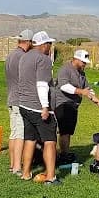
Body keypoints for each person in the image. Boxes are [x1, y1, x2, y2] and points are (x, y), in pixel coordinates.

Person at [18, 31, 61, 185]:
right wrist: (45, 107)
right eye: (49, 44)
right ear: (43, 45)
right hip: (38, 107)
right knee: (50, 141)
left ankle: (26, 173)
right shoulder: (43, 59)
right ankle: (51, 177)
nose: (50, 47)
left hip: (24, 104)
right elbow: (42, 84)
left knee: (30, 139)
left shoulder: (24, 57)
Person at [53, 49, 99, 163]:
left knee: (69, 131)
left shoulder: (81, 73)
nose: (84, 64)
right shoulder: (65, 69)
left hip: (73, 105)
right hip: (63, 104)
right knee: (64, 131)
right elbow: (64, 86)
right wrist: (81, 92)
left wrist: (98, 101)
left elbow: (88, 90)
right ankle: (64, 155)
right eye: (83, 62)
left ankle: (65, 152)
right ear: (76, 59)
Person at [5, 29, 33, 175]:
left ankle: (12, 164)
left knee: (13, 132)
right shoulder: (22, 57)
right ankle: (17, 167)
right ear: (28, 42)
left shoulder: (11, 55)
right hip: (19, 99)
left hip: (10, 97)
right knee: (20, 134)